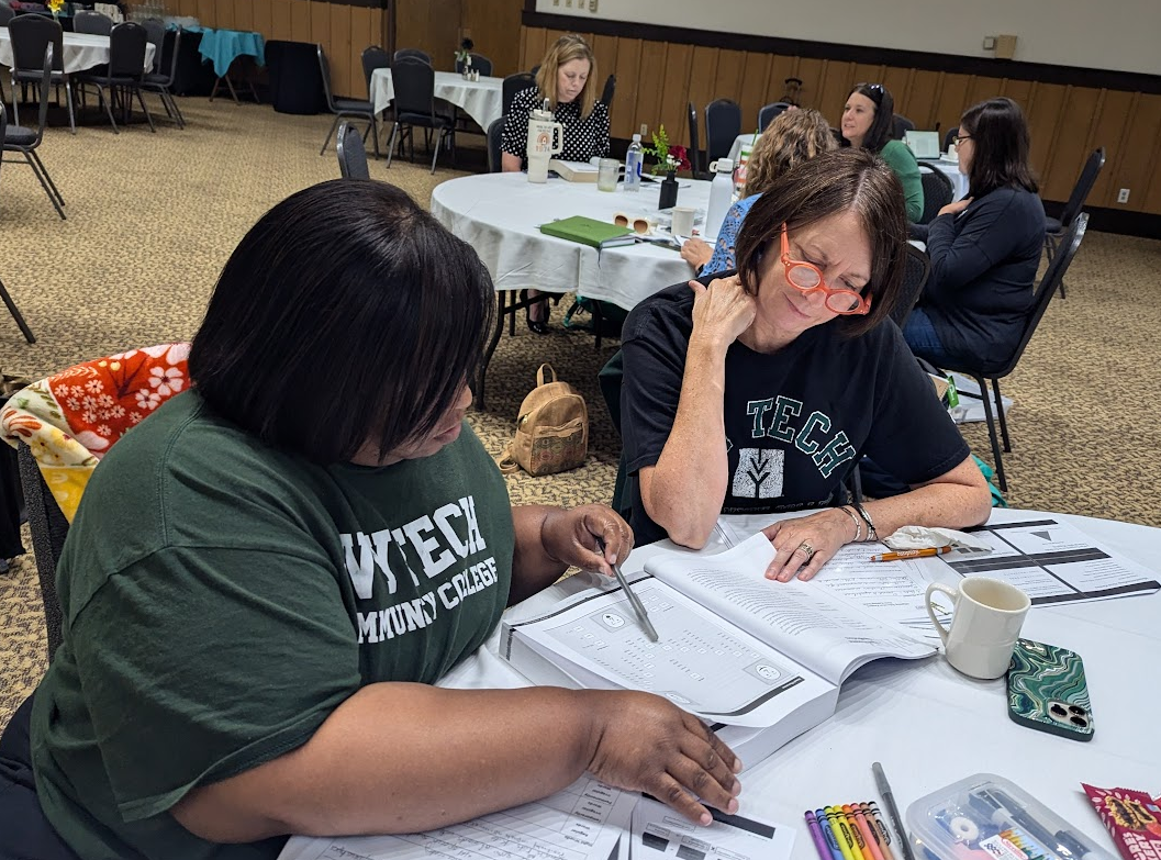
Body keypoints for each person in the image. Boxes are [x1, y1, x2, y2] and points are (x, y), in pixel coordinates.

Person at [0, 181, 742, 860]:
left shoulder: (394, 431)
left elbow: (432, 561)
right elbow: (264, 781)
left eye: (458, 370)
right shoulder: (188, 500)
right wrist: (589, 733)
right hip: (162, 837)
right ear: (316, 374)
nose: (460, 401)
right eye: (428, 383)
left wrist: (542, 536)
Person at [620, 150, 991, 578]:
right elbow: (687, 524)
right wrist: (708, 346)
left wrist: (848, 521)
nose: (816, 299)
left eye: (849, 285)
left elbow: (969, 494)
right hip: (675, 573)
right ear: (768, 232)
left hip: (800, 583)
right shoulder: (664, 327)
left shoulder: (864, 338)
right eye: (812, 263)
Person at [902, 97, 1045, 371]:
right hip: (958, 317)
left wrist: (943, 216)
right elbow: (950, 238)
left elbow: (945, 271)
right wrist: (899, 228)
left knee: (867, 329)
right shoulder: (1000, 194)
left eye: (961, 139)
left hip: (970, 333)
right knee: (872, 314)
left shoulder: (1008, 206)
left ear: (985, 146)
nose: (957, 146)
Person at [501, 34, 610, 333]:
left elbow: (599, 164)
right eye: (569, 75)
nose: (576, 84)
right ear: (553, 70)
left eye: (583, 77)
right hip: (533, 194)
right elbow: (510, 166)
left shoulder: (595, 112)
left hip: (579, 197)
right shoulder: (527, 103)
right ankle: (536, 290)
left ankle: (587, 293)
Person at [681, 109, 835, 276]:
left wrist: (706, 263)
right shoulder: (828, 216)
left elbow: (718, 291)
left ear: (765, 156)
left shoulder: (749, 212)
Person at [840, 83, 924, 222]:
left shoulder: (896, 152)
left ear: (877, 118)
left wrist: (865, 214)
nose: (848, 116)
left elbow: (915, 210)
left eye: (859, 111)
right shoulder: (842, 151)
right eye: (847, 108)